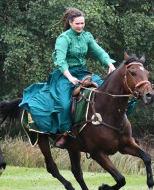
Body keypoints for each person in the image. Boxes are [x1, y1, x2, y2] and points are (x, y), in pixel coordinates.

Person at [20, 8, 115, 149]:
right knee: (64, 103)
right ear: (70, 23)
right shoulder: (63, 39)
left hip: (82, 72)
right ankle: (65, 133)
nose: (80, 26)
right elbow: (60, 61)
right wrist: (70, 77)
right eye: (77, 23)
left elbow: (99, 52)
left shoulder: (87, 37)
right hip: (64, 75)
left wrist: (109, 64)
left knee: (106, 91)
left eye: (82, 23)